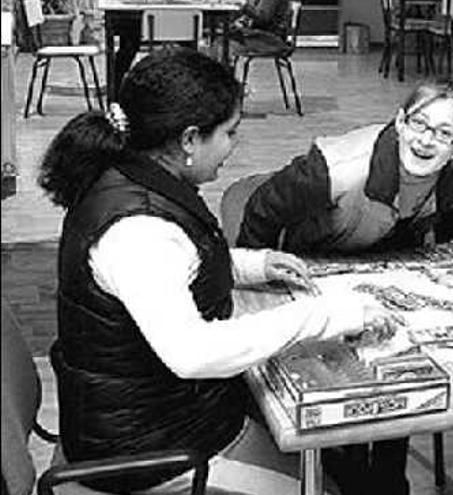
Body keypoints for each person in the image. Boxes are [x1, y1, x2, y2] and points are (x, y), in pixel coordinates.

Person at [37, 48, 392, 495]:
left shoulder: (131, 174)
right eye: (229, 133)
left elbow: (181, 262)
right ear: (189, 139)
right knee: (320, 483)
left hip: (155, 415)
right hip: (144, 449)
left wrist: (253, 264)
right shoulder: (137, 230)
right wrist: (322, 314)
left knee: (326, 457)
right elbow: (194, 354)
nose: (233, 146)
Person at [236, 79, 453, 495]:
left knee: (396, 360)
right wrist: (256, 282)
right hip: (310, 266)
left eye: (443, 133)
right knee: (330, 376)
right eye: (419, 124)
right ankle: (338, 473)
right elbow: (261, 209)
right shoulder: (334, 168)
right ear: (399, 122)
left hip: (378, 268)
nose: (425, 140)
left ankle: (385, 481)